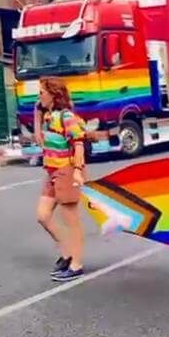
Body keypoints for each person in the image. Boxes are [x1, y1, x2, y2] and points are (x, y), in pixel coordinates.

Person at [33, 77, 105, 282]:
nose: (39, 97)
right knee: (43, 215)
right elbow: (39, 140)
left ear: (53, 95)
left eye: (41, 93)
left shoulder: (66, 116)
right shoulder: (49, 116)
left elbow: (79, 142)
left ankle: (76, 264)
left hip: (67, 171)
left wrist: (78, 170)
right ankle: (67, 253)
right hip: (52, 173)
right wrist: (37, 113)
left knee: (71, 220)